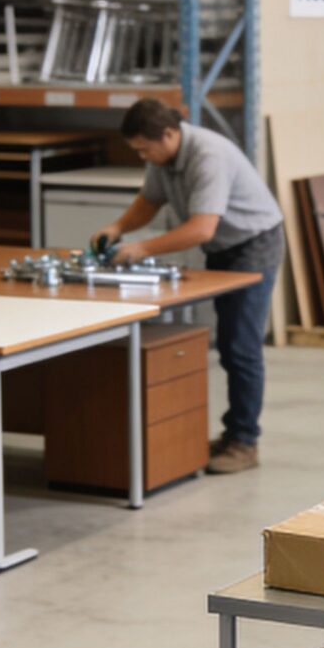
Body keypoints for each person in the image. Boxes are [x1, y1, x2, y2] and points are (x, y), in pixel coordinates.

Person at [92, 100, 286, 474]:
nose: (142, 155)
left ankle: (245, 442)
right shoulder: (162, 157)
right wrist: (117, 229)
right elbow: (149, 201)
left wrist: (140, 247)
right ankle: (234, 435)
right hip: (224, 247)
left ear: (169, 133)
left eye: (144, 148)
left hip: (254, 243)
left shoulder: (207, 156)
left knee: (240, 347)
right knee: (229, 344)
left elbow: (201, 229)